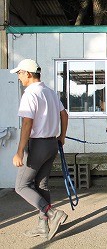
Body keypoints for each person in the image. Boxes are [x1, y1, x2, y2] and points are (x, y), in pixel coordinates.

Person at [10, 59, 69, 240]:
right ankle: (42, 227)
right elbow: (64, 114)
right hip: (51, 144)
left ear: (28, 73)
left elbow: (27, 123)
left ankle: (52, 213)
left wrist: (20, 151)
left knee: (21, 186)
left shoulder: (29, 94)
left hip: (37, 145)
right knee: (41, 185)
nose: (19, 77)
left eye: (19, 73)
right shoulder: (51, 93)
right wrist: (62, 136)